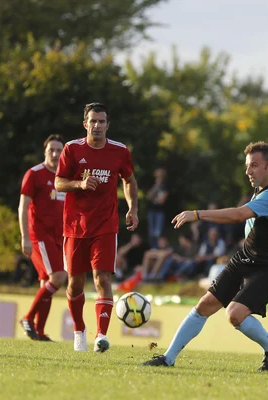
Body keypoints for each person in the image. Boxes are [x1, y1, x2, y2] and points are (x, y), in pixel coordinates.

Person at [142, 141, 268, 371]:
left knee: (235, 314)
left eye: (254, 166)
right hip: (248, 256)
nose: (248, 171)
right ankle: (167, 358)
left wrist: (196, 214)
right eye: (248, 166)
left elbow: (239, 215)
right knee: (205, 304)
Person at [55, 102, 139, 353]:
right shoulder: (71, 149)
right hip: (75, 226)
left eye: (102, 121)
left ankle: (101, 335)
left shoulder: (120, 151)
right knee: (75, 283)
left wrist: (133, 209)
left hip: (106, 225)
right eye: (93, 121)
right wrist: (79, 185)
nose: (97, 126)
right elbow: (59, 183)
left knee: (102, 277)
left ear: (108, 125)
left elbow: (129, 179)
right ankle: (79, 331)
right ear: (85, 124)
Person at [17, 134, 68, 341]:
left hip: (59, 237)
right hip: (39, 235)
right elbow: (23, 206)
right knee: (58, 277)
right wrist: (24, 237)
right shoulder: (34, 174)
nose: (55, 154)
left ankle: (39, 331)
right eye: (51, 150)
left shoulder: (66, 177)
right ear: (45, 152)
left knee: (46, 283)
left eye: (59, 151)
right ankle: (28, 318)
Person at [146, 168, 169, 248]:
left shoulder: (165, 186)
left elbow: (161, 201)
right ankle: (152, 248)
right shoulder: (152, 184)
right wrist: (156, 186)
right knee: (151, 232)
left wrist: (154, 198)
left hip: (160, 212)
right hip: (152, 211)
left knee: (158, 232)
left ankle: (158, 248)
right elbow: (148, 197)